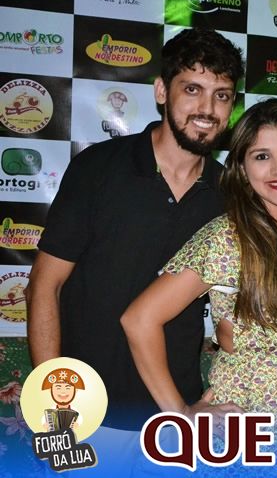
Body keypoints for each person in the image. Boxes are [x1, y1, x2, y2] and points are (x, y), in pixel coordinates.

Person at [26, 27, 243, 435]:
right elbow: (44, 285)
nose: (207, 108)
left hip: (176, 415)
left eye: (222, 95)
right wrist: (53, 408)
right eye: (192, 89)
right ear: (161, 91)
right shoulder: (99, 168)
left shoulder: (231, 196)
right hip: (85, 412)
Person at [120, 98, 277, 437]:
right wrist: (181, 413)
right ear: (243, 169)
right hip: (244, 422)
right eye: (261, 157)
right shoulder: (228, 236)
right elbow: (139, 319)